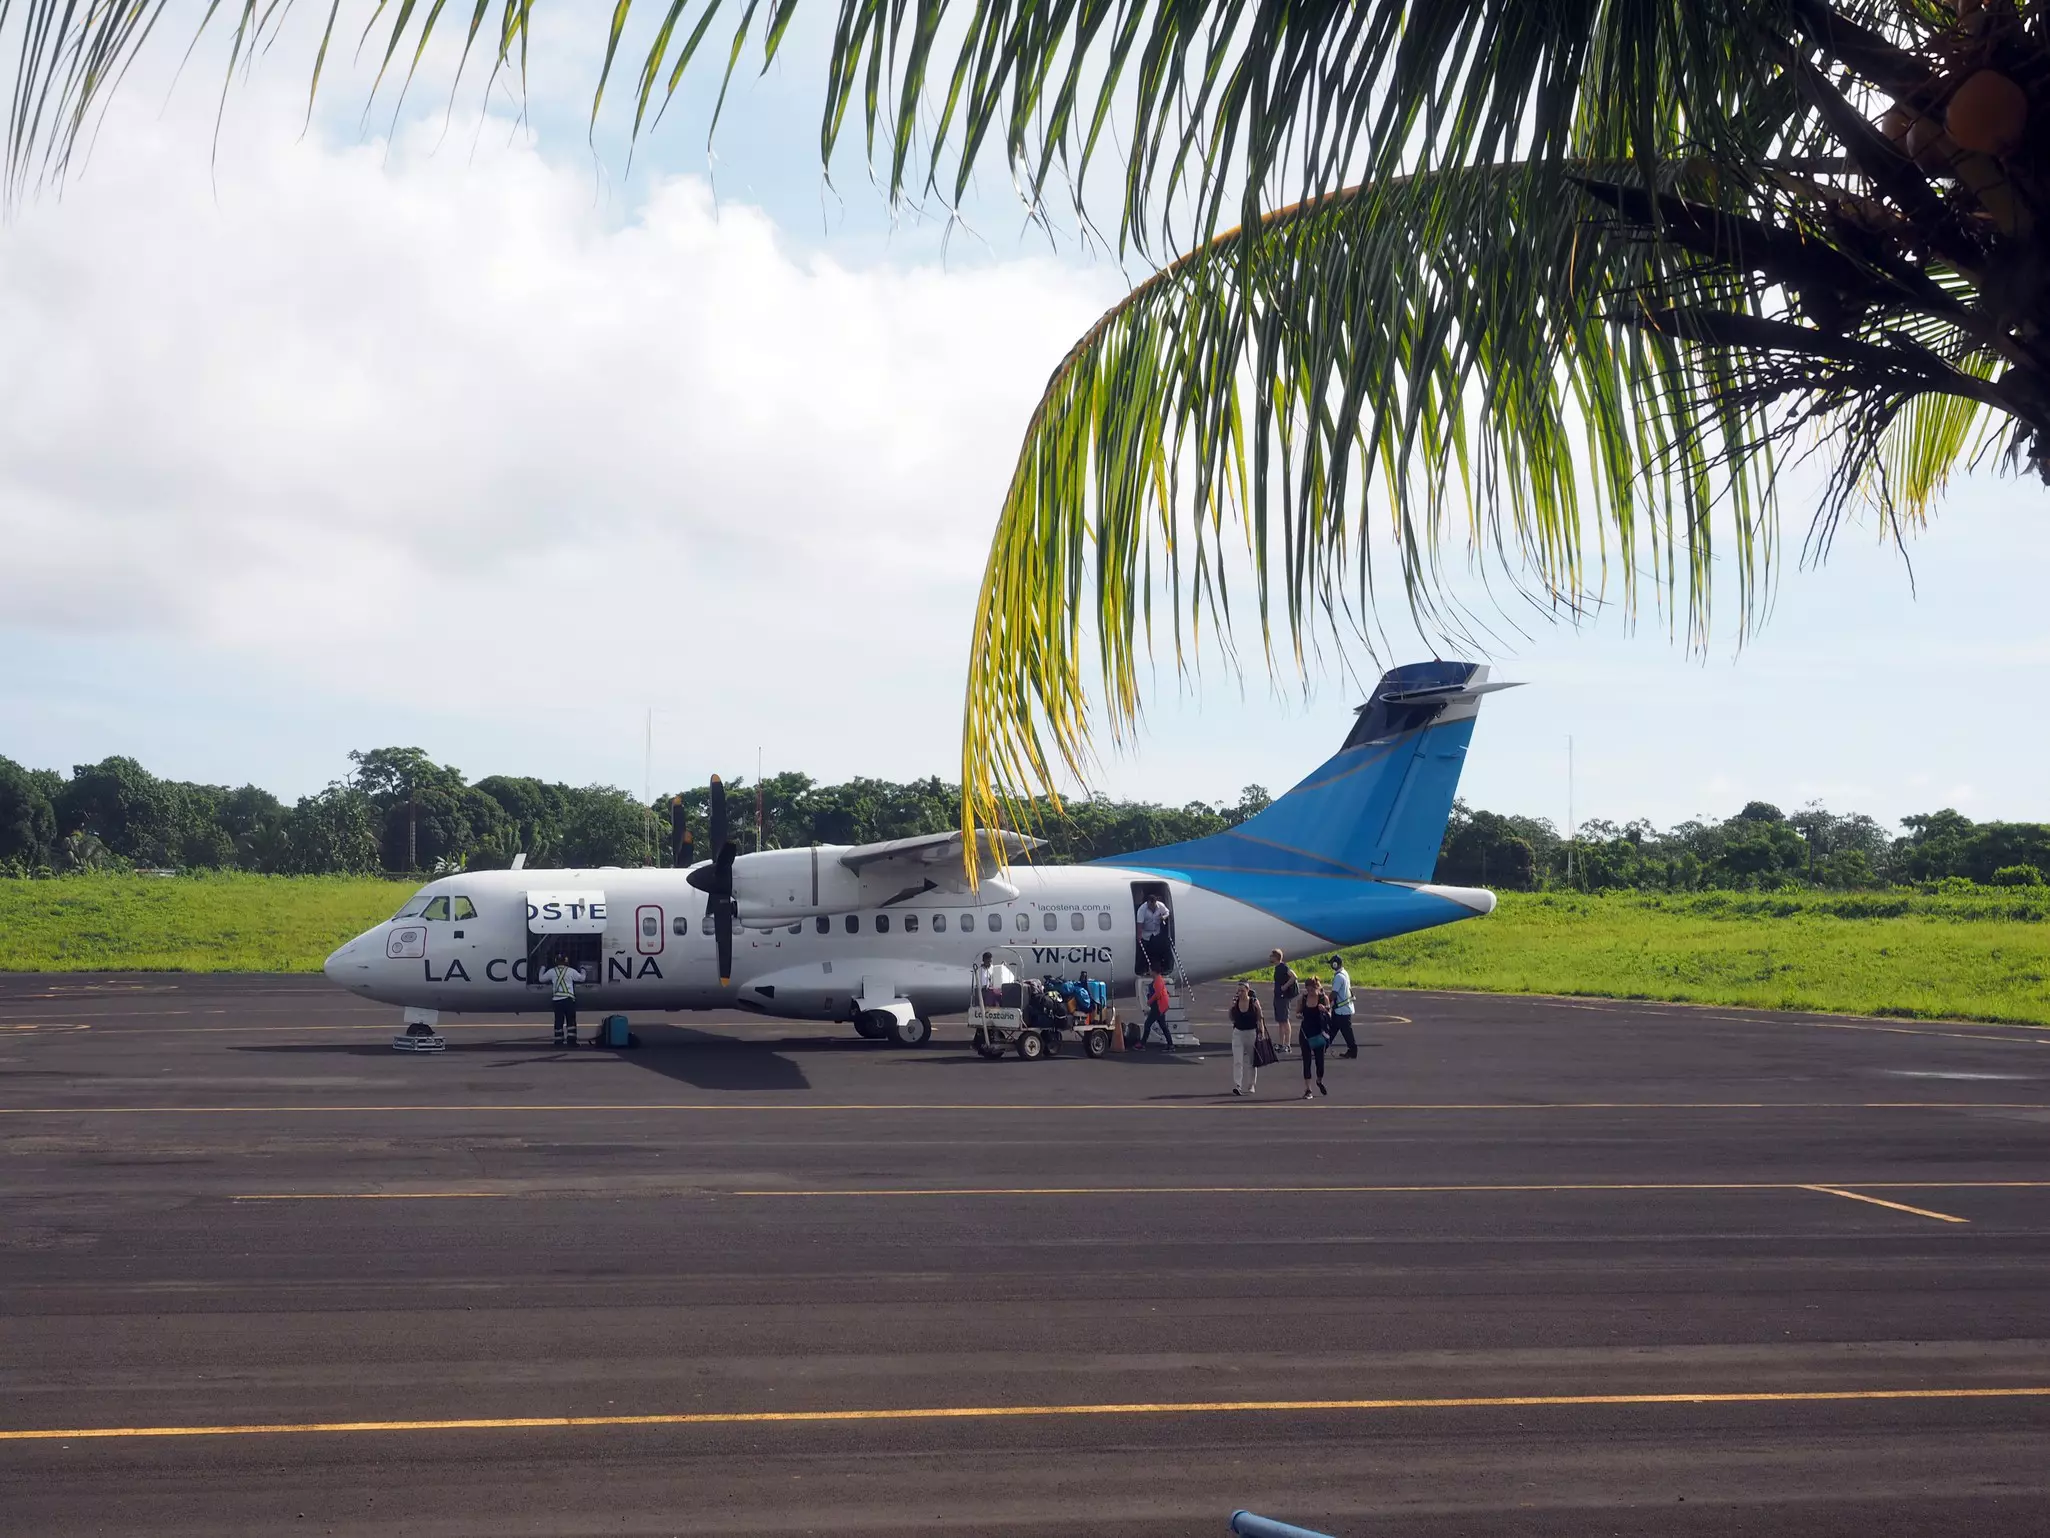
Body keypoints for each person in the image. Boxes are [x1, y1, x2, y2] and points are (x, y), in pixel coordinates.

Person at [1227, 983, 1265, 1096]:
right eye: (1238, 991)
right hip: (1238, 1033)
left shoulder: (1253, 1002)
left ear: (1248, 990)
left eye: (1242, 991)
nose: (1240, 993)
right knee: (1237, 1061)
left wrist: (1261, 1030)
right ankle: (1238, 1085)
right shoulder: (1236, 1002)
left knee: (1252, 1060)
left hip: (1251, 1032)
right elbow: (1231, 1017)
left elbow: (1260, 1016)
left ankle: (1251, 1084)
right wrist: (1231, 1007)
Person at [1297, 978, 1331, 1098]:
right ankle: (1308, 1089)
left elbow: (1329, 1015)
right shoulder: (1303, 998)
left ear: (1317, 988)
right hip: (1305, 1033)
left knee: (1319, 1062)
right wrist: (1299, 1015)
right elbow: (1298, 1012)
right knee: (1306, 1061)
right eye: (1308, 989)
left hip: (1318, 1033)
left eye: (1312, 989)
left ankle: (1319, 1080)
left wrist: (1325, 1010)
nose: (1310, 992)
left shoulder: (1323, 998)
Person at [545, 952, 584, 1048]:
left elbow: (541, 979)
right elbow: (582, 978)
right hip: (568, 999)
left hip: (557, 1000)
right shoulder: (571, 971)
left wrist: (542, 968)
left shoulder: (551, 971)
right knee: (571, 1021)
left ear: (555, 961)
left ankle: (558, 1041)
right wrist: (583, 970)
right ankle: (571, 1042)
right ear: (566, 961)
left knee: (558, 1021)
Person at [1327, 954, 1358, 1057]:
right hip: (1341, 1009)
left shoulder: (1339, 977)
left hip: (1342, 1010)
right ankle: (1323, 1048)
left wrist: (1326, 1002)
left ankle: (1353, 1050)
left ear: (1335, 964)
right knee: (1332, 1030)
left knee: (1345, 1032)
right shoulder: (1344, 973)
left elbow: (1334, 993)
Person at [1270, 949, 1298, 1054]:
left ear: (1276, 957)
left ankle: (1287, 1044)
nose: (1270, 957)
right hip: (1277, 997)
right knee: (1280, 1022)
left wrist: (1285, 987)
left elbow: (1294, 976)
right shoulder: (1278, 968)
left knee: (1285, 1021)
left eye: (1271, 956)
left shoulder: (1283, 967)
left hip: (1283, 997)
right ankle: (1281, 1043)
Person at [1135, 893, 1173, 972]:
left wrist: (1163, 917)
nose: (1152, 907)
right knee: (1144, 953)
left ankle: (1158, 969)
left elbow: (1167, 912)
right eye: (1150, 906)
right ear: (1147, 902)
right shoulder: (1142, 910)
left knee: (1156, 951)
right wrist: (1139, 936)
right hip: (1146, 934)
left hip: (1156, 932)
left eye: (1153, 905)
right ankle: (1143, 969)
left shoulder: (1160, 906)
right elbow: (1140, 924)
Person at [1140, 969, 1175, 1049]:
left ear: (1154, 971)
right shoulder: (1158, 980)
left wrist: (1149, 1001)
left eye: (1151, 970)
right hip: (1159, 1007)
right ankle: (1170, 1045)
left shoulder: (1158, 981)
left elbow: (1158, 994)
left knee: (1148, 1024)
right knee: (1163, 1026)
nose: (1149, 971)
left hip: (1157, 1007)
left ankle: (1142, 1044)